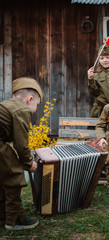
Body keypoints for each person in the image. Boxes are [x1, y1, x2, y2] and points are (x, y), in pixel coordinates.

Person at [0, 77, 43, 230]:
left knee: (2, 177)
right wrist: (28, 163)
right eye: (37, 105)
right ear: (30, 99)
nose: (35, 109)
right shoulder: (22, 109)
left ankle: (3, 215)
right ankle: (15, 220)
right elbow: (21, 142)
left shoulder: (6, 104)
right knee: (14, 178)